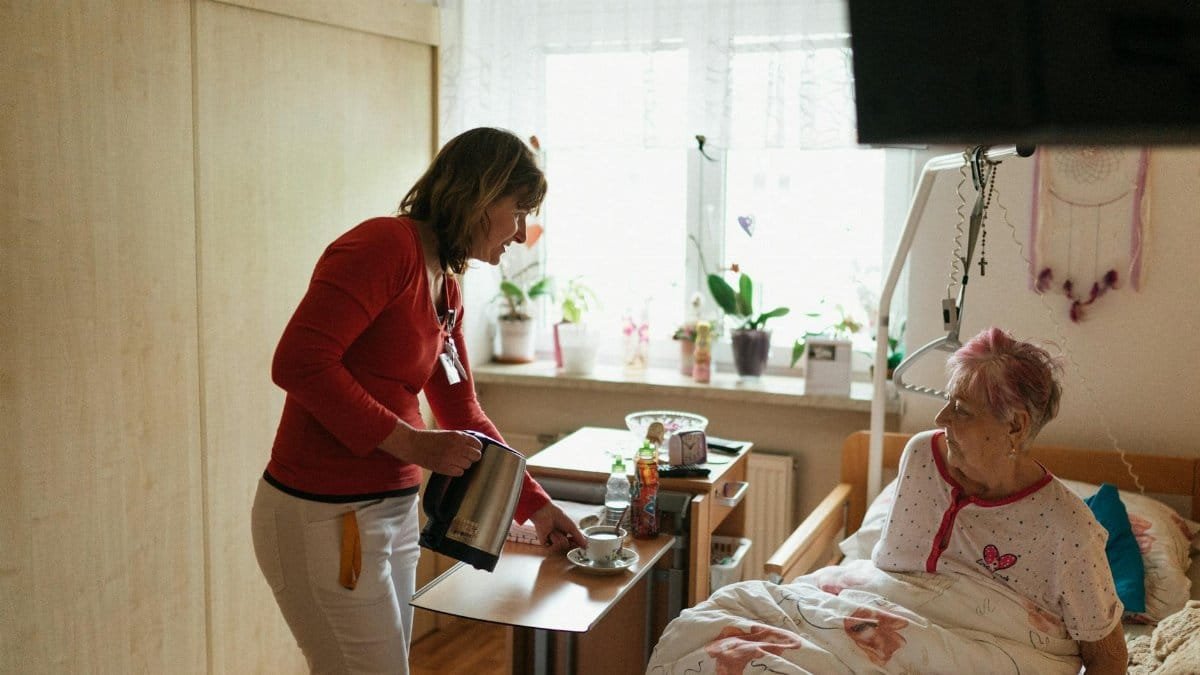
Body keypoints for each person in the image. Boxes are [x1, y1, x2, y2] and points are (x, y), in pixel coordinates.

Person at [250, 127, 586, 674]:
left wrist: (535, 505)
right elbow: (298, 362)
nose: (522, 233)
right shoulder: (384, 247)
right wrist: (411, 442)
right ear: (480, 195)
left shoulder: (445, 286)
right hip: (325, 517)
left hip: (392, 514)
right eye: (517, 212)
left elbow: (463, 413)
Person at [872, 327, 1128, 673]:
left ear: (1015, 427)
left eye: (961, 409)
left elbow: (1109, 662)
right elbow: (891, 580)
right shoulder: (921, 457)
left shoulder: (1070, 531)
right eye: (947, 401)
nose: (940, 418)